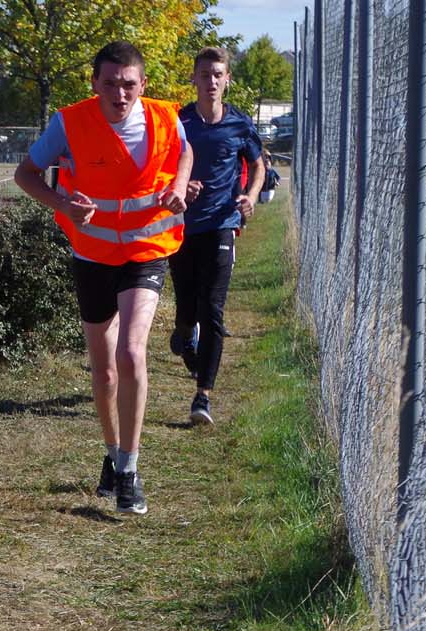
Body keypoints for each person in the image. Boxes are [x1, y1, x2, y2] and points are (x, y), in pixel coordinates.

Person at [14, 40, 192, 515]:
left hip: (145, 251)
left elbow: (184, 153)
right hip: (91, 254)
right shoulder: (69, 123)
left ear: (143, 84)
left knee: (131, 351)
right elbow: (25, 174)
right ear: (95, 83)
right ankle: (112, 454)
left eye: (129, 84)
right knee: (104, 366)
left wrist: (176, 187)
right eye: (110, 83)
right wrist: (62, 203)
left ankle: (130, 470)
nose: (120, 93)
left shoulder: (163, 117)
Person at [169, 46, 263, 426]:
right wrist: (179, 186)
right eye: (204, 74)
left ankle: (202, 397)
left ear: (227, 80)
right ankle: (183, 334)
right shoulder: (179, 122)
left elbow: (258, 165)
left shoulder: (240, 125)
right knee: (187, 304)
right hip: (182, 226)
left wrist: (251, 197)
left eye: (217, 74)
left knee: (212, 308)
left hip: (222, 223)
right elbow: (161, 167)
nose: (211, 81)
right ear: (194, 79)